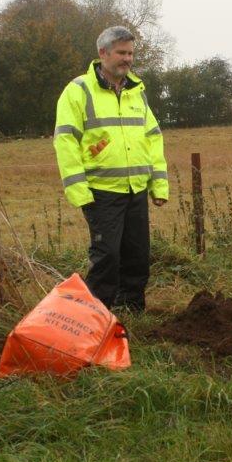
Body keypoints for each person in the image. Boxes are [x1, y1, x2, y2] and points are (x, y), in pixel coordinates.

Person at [53, 26, 168, 312]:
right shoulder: (78, 90)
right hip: (100, 193)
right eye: (121, 52)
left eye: (130, 53)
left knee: (138, 255)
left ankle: (131, 309)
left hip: (136, 189)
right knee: (107, 258)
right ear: (102, 53)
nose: (127, 59)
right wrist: (79, 191)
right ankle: (96, 317)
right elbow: (65, 140)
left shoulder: (136, 92)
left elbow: (153, 138)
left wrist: (159, 185)